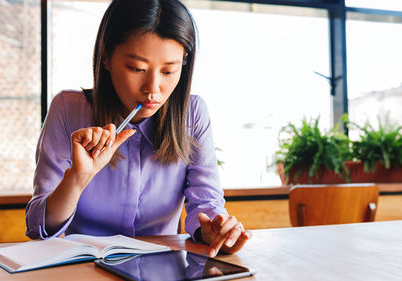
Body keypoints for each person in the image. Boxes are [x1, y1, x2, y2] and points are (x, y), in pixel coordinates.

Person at [25, 0, 251, 258]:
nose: (153, 89)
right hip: (85, 269)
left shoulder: (193, 114)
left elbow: (206, 203)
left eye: (169, 71)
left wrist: (215, 230)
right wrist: (76, 178)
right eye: (137, 68)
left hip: (161, 268)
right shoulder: (67, 109)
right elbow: (38, 228)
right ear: (106, 57)